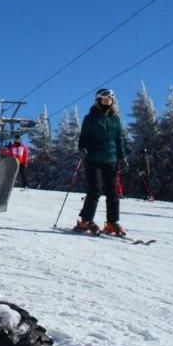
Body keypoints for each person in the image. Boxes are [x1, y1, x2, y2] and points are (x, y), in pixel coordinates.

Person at [73, 88, 127, 236]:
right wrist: (83, 148)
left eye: (110, 99)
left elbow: (119, 140)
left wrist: (122, 158)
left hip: (111, 159)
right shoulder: (90, 118)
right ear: (98, 100)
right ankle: (86, 220)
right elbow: (83, 137)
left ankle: (112, 222)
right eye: (104, 98)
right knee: (95, 190)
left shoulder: (115, 119)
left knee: (113, 192)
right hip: (93, 159)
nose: (107, 101)